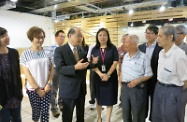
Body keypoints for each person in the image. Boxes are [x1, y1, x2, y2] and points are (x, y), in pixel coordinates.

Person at [54, 27, 98, 122]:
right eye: (78, 36)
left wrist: (93, 63)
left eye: (81, 36)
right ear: (70, 36)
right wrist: (75, 67)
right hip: (68, 91)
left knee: (80, 117)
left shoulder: (81, 49)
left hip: (81, 90)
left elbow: (85, 64)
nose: (81, 38)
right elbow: (59, 69)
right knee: (67, 117)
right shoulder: (60, 50)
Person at [152, 25, 187, 122]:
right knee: (157, 117)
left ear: (170, 37)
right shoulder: (161, 52)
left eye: (160, 36)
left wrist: (178, 96)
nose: (157, 39)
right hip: (159, 88)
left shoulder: (179, 55)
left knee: (171, 118)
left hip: (173, 91)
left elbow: (185, 80)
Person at [20, 26, 53, 122]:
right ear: (32, 38)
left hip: (46, 88)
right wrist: (38, 89)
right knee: (36, 111)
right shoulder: (25, 54)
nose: (41, 40)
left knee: (45, 112)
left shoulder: (47, 52)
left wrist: (49, 83)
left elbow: (51, 69)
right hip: (33, 89)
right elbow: (28, 74)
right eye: (38, 37)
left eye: (42, 37)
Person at [120, 34, 152, 122]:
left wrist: (137, 81)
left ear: (134, 44)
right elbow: (122, 71)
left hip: (138, 89)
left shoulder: (144, 57)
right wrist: (121, 84)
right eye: (124, 42)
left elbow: (149, 74)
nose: (124, 44)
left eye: (127, 42)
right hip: (125, 88)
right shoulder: (126, 56)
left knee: (138, 114)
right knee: (125, 113)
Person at [91, 28, 118, 122]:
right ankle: (99, 118)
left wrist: (107, 74)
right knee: (99, 98)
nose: (102, 37)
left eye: (104, 35)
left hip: (110, 77)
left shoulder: (112, 48)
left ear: (108, 37)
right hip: (98, 78)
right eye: (100, 35)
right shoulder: (94, 49)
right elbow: (92, 65)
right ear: (97, 37)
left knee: (109, 98)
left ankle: (108, 119)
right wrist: (100, 74)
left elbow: (115, 62)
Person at [138, 25, 162, 121]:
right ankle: (142, 118)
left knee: (154, 101)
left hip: (155, 79)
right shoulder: (140, 47)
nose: (148, 35)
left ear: (156, 35)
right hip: (142, 79)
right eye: (147, 33)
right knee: (142, 101)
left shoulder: (160, 48)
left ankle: (152, 118)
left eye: (151, 33)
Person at [0, 27, 23, 122]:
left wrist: (20, 93)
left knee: (17, 119)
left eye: (7, 35)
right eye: (3, 36)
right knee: (4, 119)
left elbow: (17, 74)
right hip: (1, 97)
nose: (7, 37)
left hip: (15, 95)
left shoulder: (14, 52)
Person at [48, 30, 65, 118]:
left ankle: (61, 103)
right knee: (53, 90)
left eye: (63, 37)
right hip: (54, 71)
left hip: (63, 71)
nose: (62, 38)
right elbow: (49, 61)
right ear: (56, 37)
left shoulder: (65, 48)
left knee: (63, 88)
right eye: (61, 36)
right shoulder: (51, 48)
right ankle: (54, 108)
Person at [117, 34, 128, 107]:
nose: (124, 40)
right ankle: (122, 100)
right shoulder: (119, 49)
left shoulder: (131, 48)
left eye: (126, 39)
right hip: (121, 71)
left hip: (130, 71)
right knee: (122, 86)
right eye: (123, 38)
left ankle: (127, 100)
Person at [87, 43, 96, 109]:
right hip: (93, 68)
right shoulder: (92, 46)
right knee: (92, 85)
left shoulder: (107, 46)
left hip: (103, 69)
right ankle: (92, 101)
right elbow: (88, 58)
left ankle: (100, 101)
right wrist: (92, 66)